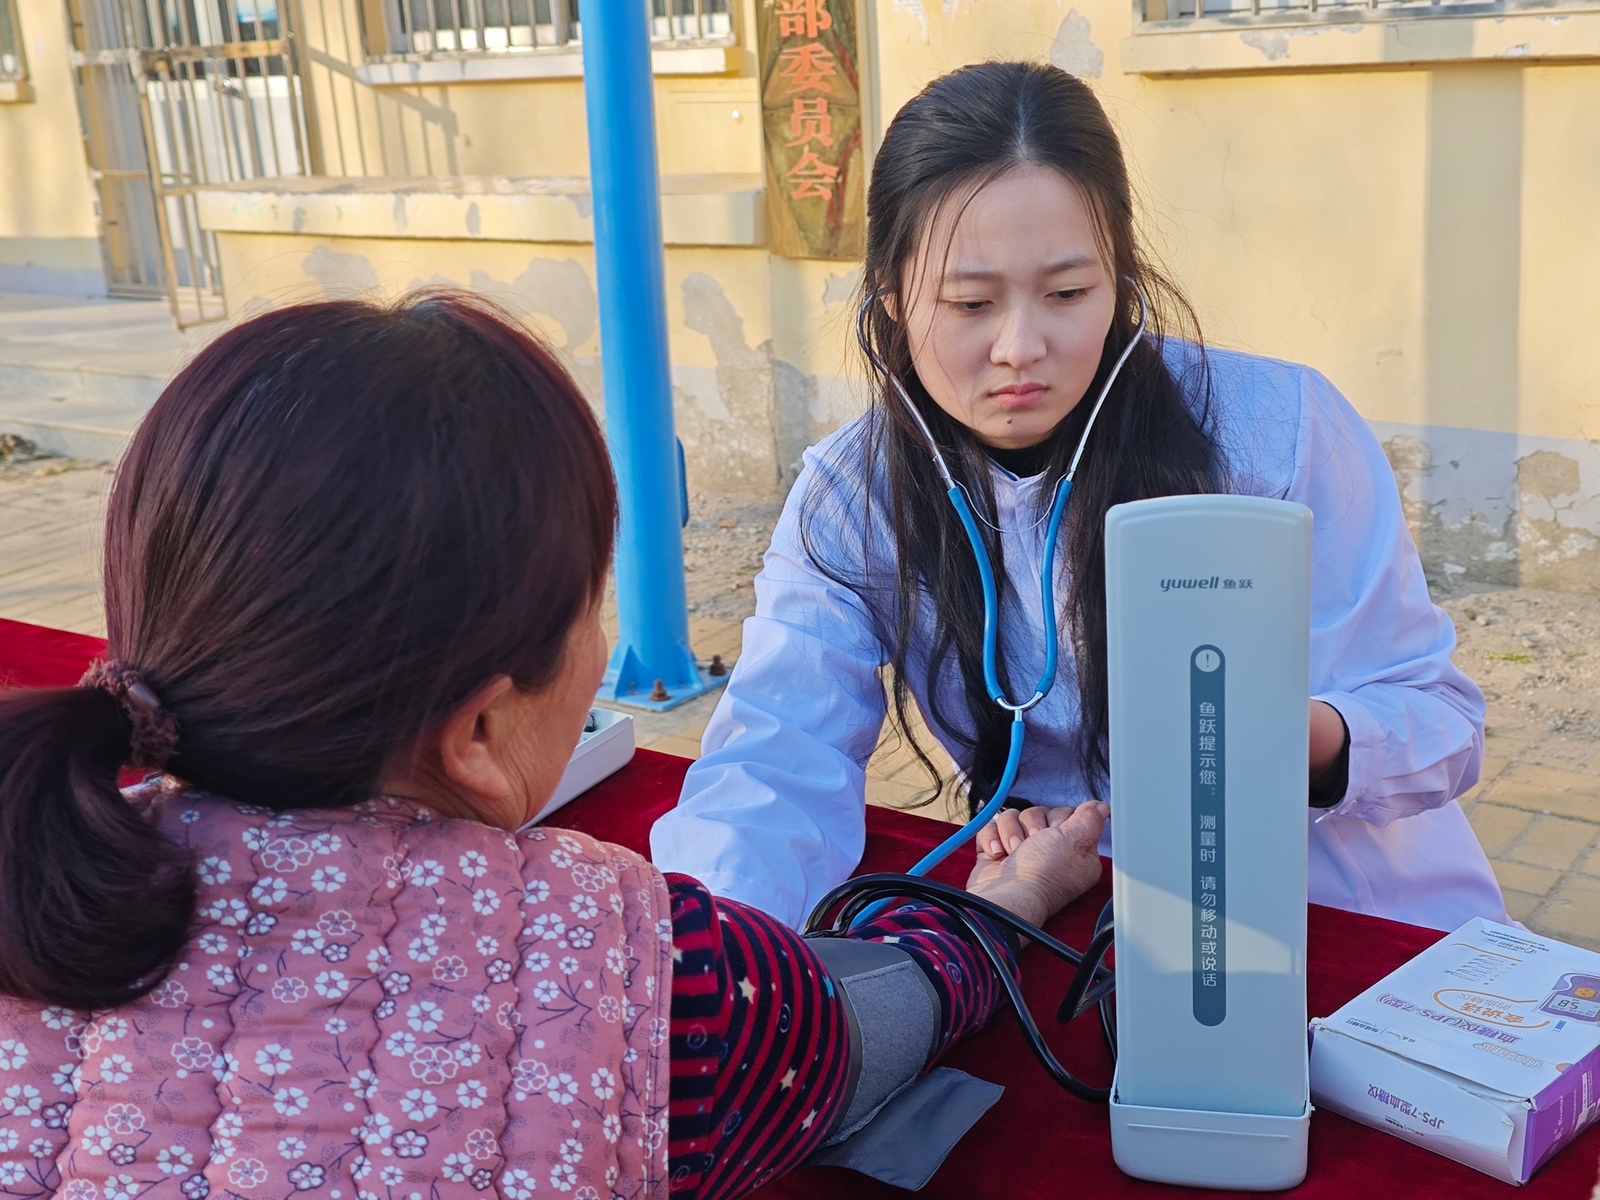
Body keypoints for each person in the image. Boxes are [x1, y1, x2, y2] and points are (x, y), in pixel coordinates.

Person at [0, 294, 1108, 1200]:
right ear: (480, 733)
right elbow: (869, 1023)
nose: (1018, 345)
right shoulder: (641, 967)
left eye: (1067, 291)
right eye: (590, 604)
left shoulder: (40, 872)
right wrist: (1008, 902)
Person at [651, 60, 1506, 935]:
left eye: (1067, 294)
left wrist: (1300, 737)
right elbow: (773, 762)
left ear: (1120, 278)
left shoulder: (1277, 429)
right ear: (892, 296)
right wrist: (702, 957)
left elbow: (1441, 724)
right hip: (1070, 911)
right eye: (970, 303)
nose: (1021, 347)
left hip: (1344, 905)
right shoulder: (852, 496)